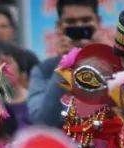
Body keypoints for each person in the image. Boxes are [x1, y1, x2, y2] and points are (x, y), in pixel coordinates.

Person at [29, 0, 104, 128]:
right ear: (59, 26)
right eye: (71, 22)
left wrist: (103, 57)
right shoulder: (44, 71)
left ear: (97, 22)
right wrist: (64, 67)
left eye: (86, 21)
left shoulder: (116, 63)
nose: (79, 26)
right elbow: (42, 123)